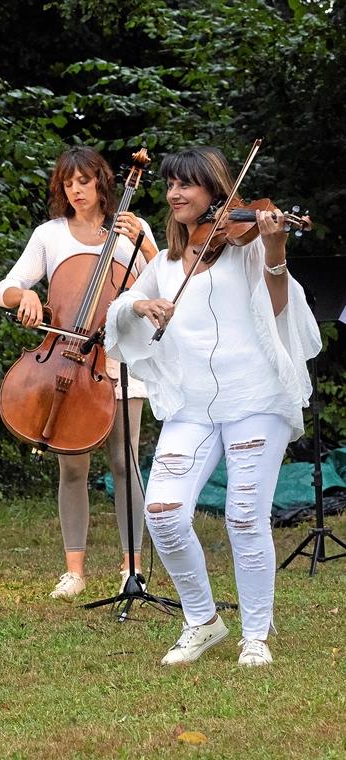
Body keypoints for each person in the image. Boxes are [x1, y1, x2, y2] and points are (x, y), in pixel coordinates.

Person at [105, 146, 321, 666]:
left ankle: (255, 636)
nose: (176, 193)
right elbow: (116, 313)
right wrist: (141, 303)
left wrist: (274, 248)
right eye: (170, 184)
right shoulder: (165, 262)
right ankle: (202, 622)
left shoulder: (247, 247)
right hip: (194, 406)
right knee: (162, 512)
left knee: (245, 515)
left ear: (216, 192)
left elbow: (279, 306)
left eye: (187, 185)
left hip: (256, 399)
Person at [0, 146, 160, 601]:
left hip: (119, 358)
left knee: (125, 462)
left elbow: (164, 285)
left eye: (83, 181)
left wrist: (145, 246)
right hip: (68, 358)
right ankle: (74, 570)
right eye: (68, 184)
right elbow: (4, 287)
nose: (76, 191)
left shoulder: (134, 229)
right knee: (72, 468)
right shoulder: (50, 235)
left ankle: (133, 568)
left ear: (102, 182)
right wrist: (23, 299)